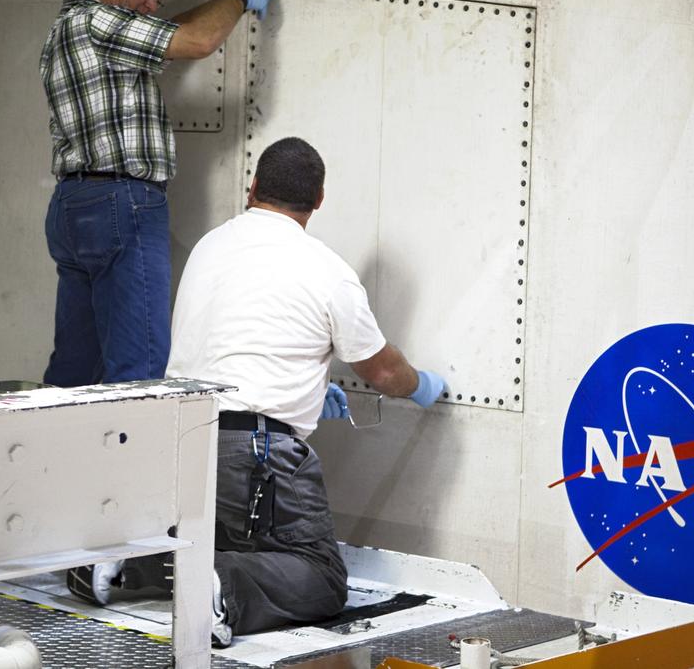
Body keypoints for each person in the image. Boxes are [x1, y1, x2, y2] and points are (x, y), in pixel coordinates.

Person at [67, 136, 447, 646]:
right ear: (318, 200)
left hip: (183, 446)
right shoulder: (327, 270)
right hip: (257, 458)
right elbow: (382, 371)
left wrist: (306, 392)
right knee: (320, 577)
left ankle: (128, 564)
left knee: (219, 541)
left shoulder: (210, 245)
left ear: (252, 189)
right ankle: (223, 585)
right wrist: (421, 385)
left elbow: (242, 342)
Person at [40, 0, 279, 387]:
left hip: (74, 203)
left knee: (76, 368)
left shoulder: (69, 24)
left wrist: (184, 12)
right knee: (141, 368)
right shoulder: (101, 23)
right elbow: (199, 39)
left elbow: (168, 32)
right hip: (122, 201)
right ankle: (135, 458)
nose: (152, 4)